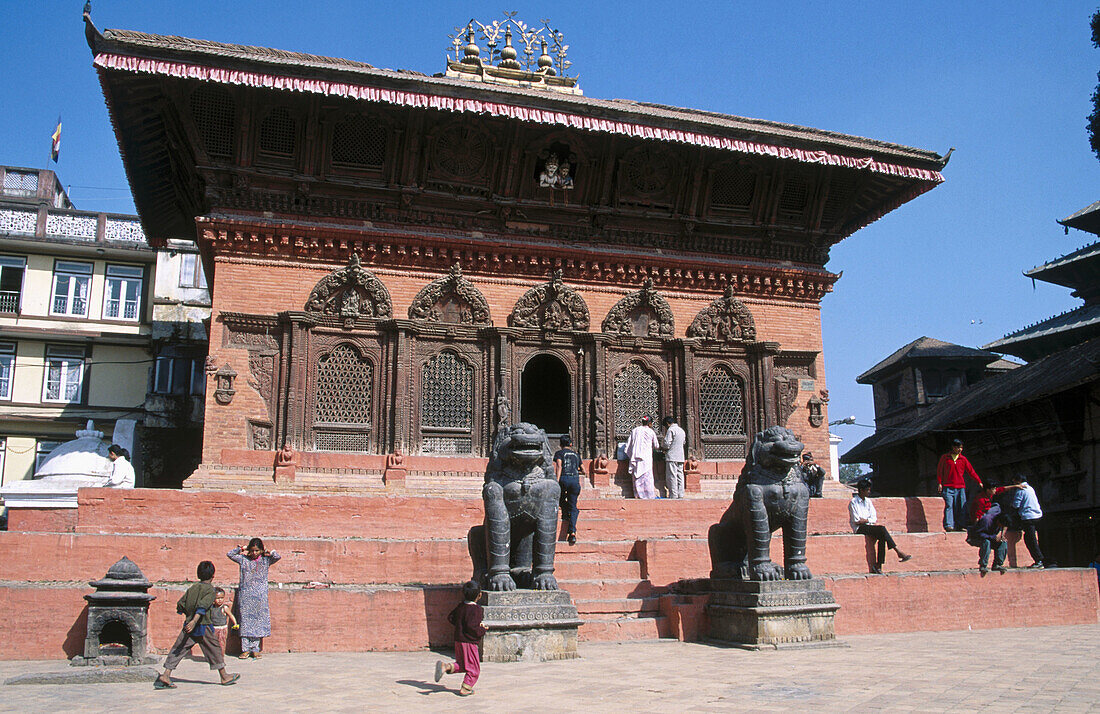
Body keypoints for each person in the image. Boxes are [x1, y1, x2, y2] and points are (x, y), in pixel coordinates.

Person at [154, 560, 240, 689]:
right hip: (203, 625)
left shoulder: (192, 588)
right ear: (213, 576)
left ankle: (166, 674)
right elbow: (203, 607)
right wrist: (194, 621)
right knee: (215, 649)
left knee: (179, 648)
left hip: (189, 625)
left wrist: (189, 617)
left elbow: (180, 605)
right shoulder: (210, 591)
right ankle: (224, 676)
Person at [228, 537, 281, 658]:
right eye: (252, 550)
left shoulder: (265, 560)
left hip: (260, 596)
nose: (254, 553)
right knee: (245, 622)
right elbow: (230, 554)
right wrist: (241, 548)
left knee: (258, 622)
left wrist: (267, 551)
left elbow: (277, 556)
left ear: (261, 550)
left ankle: (255, 648)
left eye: (257, 550)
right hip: (246, 595)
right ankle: (245, 648)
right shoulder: (243, 559)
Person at [435, 580, 487, 697]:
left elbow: (451, 617)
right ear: (479, 595)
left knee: (463, 664)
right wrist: (482, 630)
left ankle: (446, 667)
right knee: (474, 669)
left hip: (458, 640)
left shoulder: (461, 606)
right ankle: (466, 688)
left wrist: (460, 626)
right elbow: (472, 627)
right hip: (469, 642)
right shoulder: (477, 609)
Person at [849, 479, 912, 574]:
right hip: (860, 528)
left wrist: (866, 519)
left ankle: (878, 565)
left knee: (882, 537)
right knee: (882, 529)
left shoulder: (868, 502)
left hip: (869, 526)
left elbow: (874, 517)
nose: (869, 492)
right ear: (861, 490)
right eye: (867, 490)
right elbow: (857, 520)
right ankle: (897, 551)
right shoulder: (854, 502)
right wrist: (867, 519)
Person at [936, 439, 983, 531]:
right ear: (953, 447)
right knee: (949, 505)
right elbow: (939, 471)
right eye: (958, 447)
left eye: (961, 447)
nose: (960, 449)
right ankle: (949, 525)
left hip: (960, 487)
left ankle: (961, 525)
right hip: (948, 487)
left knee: (962, 506)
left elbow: (971, 471)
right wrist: (940, 483)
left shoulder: (963, 459)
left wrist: (979, 481)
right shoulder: (945, 458)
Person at [1006, 474, 1045, 568]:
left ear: (1018, 481)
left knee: (1030, 540)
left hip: (1028, 517)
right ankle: (1040, 559)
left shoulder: (1020, 490)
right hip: (1037, 515)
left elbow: (1016, 505)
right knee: (1033, 538)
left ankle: (1038, 560)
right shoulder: (1030, 488)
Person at [553, 436, 582, 545]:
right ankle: (572, 532)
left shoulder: (559, 453)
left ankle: (565, 512)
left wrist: (557, 480)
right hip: (574, 480)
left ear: (560, 444)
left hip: (564, 479)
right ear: (570, 444)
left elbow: (559, 466)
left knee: (560, 497)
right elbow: (582, 469)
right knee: (573, 506)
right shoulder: (576, 455)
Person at [966, 502, 1008, 574]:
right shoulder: (987, 520)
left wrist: (1002, 536)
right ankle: (983, 565)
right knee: (986, 542)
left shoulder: (1001, 518)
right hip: (976, 538)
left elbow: (1005, 527)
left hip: (990, 537)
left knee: (1003, 542)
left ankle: (997, 564)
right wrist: (993, 537)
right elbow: (978, 534)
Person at [624, 416, 660, 499]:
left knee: (637, 477)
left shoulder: (635, 430)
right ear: (650, 423)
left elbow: (628, 445)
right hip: (646, 458)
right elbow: (656, 445)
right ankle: (649, 496)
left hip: (635, 457)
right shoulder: (651, 432)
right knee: (647, 477)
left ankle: (638, 495)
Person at [661, 416, 686, 499]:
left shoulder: (671, 430)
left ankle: (673, 495)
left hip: (672, 456)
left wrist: (663, 447)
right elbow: (683, 442)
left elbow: (667, 443)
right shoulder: (681, 430)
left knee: (672, 476)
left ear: (668, 423)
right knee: (680, 476)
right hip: (680, 456)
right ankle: (681, 494)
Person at [211, 587, 239, 654]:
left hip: (222, 629)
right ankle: (214, 656)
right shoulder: (211, 608)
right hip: (213, 628)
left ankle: (220, 656)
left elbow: (231, 615)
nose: (220, 600)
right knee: (213, 643)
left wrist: (235, 623)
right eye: (218, 598)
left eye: (222, 598)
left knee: (221, 643)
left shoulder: (224, 608)